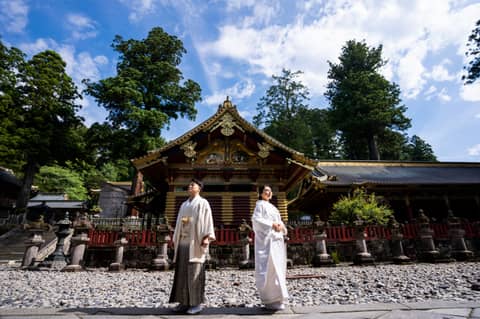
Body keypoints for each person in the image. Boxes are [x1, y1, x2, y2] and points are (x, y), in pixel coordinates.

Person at [169, 178, 216, 315]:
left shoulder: (203, 203)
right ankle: (183, 302)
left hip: (196, 241)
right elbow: (179, 223)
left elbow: (208, 220)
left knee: (195, 272)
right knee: (182, 272)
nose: (189, 186)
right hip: (183, 241)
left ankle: (196, 303)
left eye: (192, 185)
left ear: (199, 188)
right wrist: (174, 239)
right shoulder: (184, 204)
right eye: (189, 185)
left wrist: (207, 237)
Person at [251, 185, 289, 310]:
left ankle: (279, 297)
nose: (269, 192)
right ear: (261, 193)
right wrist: (272, 224)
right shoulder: (260, 205)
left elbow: (280, 221)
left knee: (279, 266)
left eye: (270, 190)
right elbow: (256, 220)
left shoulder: (273, 207)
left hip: (276, 240)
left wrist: (282, 227)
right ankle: (270, 299)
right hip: (267, 242)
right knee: (269, 268)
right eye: (266, 190)